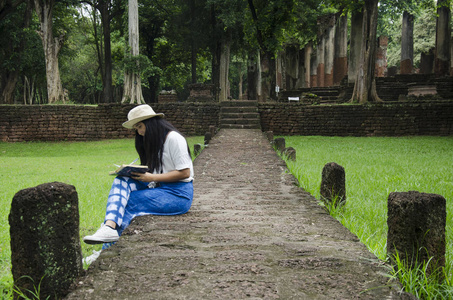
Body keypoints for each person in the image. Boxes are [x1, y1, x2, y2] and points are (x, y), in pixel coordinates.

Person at [83, 104, 194, 248]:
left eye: (140, 126)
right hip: (160, 188)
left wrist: (152, 178)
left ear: (151, 123)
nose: (140, 132)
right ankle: (109, 227)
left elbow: (185, 173)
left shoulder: (174, 138)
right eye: (136, 128)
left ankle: (107, 249)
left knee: (129, 202)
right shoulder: (156, 142)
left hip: (178, 195)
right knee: (122, 180)